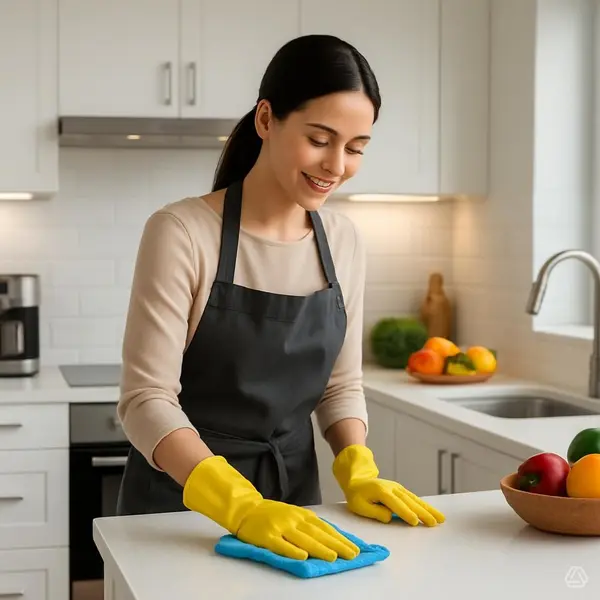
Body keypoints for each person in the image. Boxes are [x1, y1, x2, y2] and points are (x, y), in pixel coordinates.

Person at [116, 33, 445, 563]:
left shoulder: (342, 242)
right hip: (178, 516)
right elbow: (144, 400)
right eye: (320, 139)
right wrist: (240, 505)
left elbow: (341, 385)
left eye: (357, 147)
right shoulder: (182, 231)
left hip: (296, 510)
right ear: (266, 120)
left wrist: (356, 465)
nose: (337, 165)